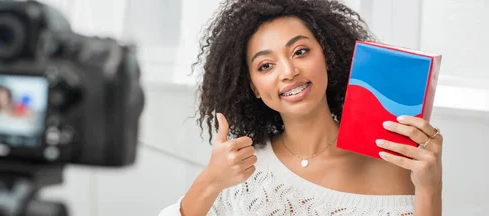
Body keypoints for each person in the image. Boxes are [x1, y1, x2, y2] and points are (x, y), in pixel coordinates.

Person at [159, 0, 443, 215]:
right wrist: (209, 181)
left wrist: (430, 188)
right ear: (254, 87)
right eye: (266, 65)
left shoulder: (394, 163)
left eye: (300, 51)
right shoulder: (241, 172)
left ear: (327, 56)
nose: (288, 71)